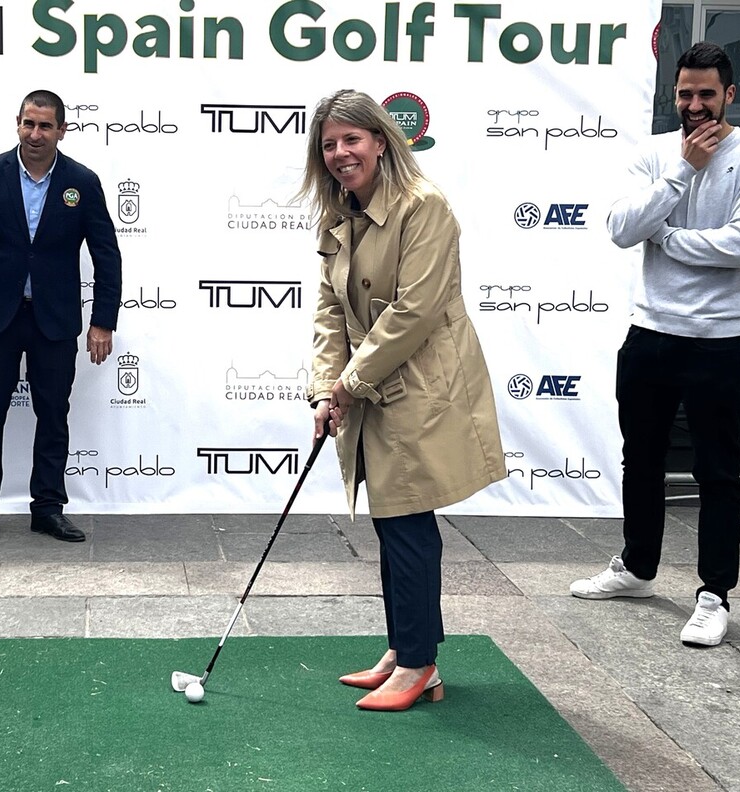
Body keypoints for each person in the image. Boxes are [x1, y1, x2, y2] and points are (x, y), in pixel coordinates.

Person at [299, 89, 507, 711]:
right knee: (393, 524)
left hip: (422, 389)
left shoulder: (426, 207)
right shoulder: (340, 212)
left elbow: (413, 314)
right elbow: (328, 312)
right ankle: (404, 647)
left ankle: (419, 663)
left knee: (407, 522)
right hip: (369, 385)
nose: (340, 154)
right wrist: (323, 387)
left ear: (382, 141)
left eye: (351, 140)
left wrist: (347, 386)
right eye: (329, 144)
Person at [570, 42, 740, 648]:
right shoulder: (654, 155)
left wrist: (666, 240)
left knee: (718, 471)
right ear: (674, 96)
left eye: (707, 94)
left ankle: (714, 594)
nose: (695, 106)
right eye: (685, 94)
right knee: (639, 459)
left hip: (723, 340)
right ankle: (638, 568)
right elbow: (622, 229)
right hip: (650, 333)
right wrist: (681, 175)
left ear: (728, 93)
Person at [0, 89, 122, 543]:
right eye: (27, 124)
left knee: (54, 414)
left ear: (62, 130)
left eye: (45, 126)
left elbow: (106, 255)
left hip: (54, 319)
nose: (35, 134)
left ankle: (48, 507)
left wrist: (103, 320)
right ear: (17, 123)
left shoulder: (84, 181)